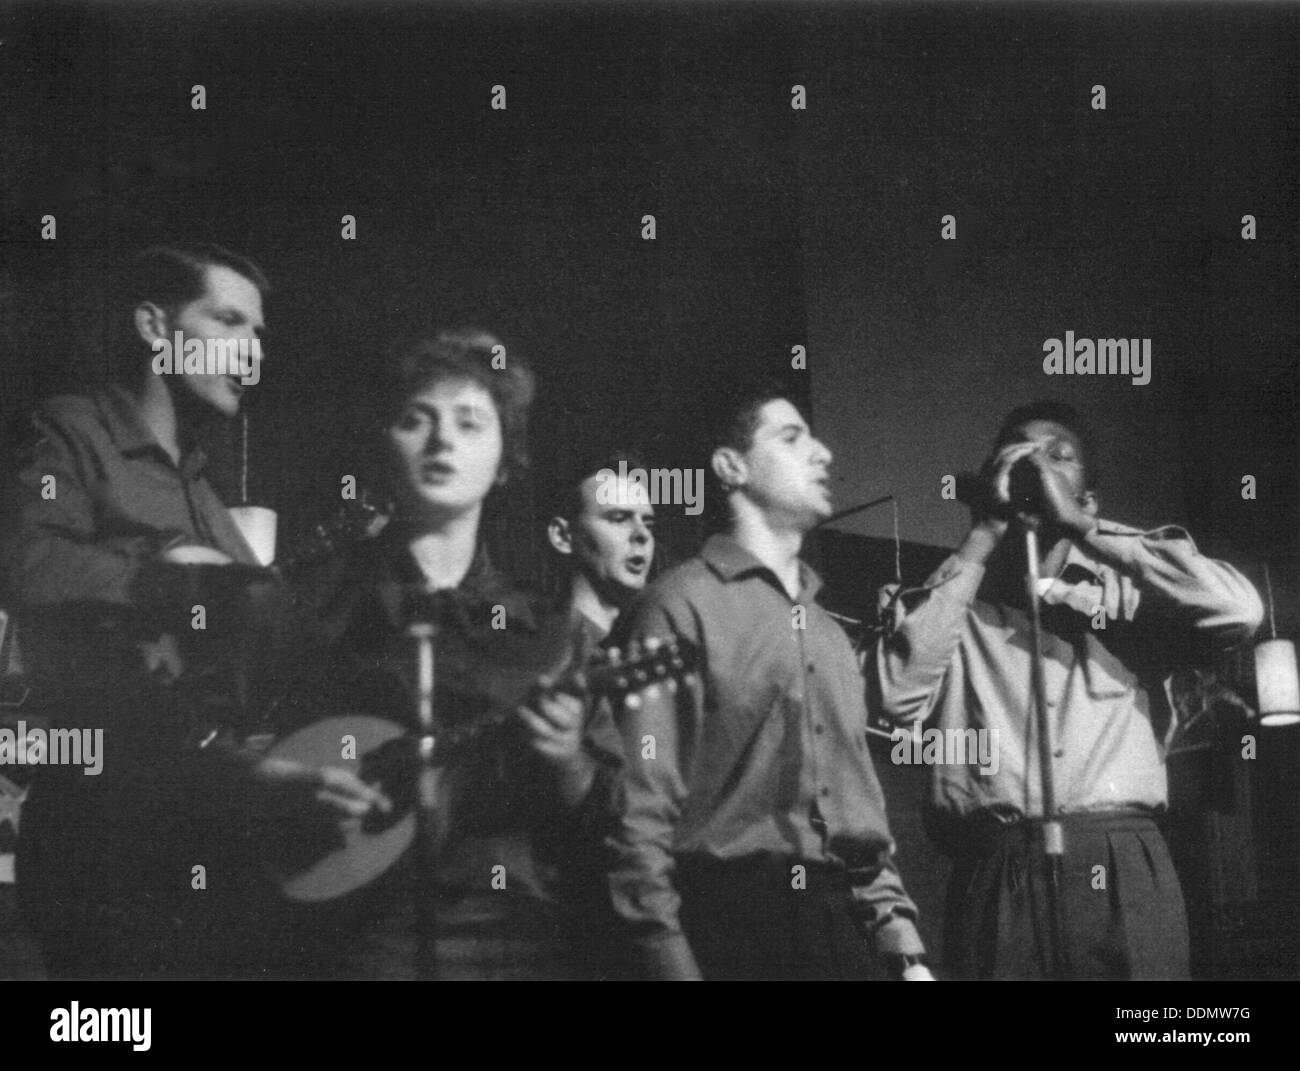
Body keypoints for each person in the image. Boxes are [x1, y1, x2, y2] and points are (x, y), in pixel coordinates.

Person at [0, 244, 383, 979]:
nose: (251, 353)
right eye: (230, 321)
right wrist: (166, 580)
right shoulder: (72, 431)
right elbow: (25, 562)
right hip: (103, 836)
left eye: (260, 336)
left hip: (210, 838)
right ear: (155, 326)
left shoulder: (205, 492)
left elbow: (267, 642)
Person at [871, 399, 1264, 980]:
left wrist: (1085, 532)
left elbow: (1238, 610)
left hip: (1123, 859)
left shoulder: (1126, 597)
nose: (1037, 467)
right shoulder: (943, 603)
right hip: (996, 866)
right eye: (1020, 454)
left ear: (1088, 495)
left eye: (1059, 456)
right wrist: (983, 534)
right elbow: (893, 699)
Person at [276, 329, 622, 980]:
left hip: (516, 943)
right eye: (416, 419)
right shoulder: (315, 607)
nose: (442, 441)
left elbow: (615, 820)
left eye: (470, 422)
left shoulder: (554, 637)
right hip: (352, 937)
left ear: (506, 458)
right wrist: (292, 785)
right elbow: (231, 749)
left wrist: (571, 760)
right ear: (385, 442)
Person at [607, 384, 932, 981]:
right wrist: (667, 963)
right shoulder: (676, 608)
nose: (824, 452)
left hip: (841, 930)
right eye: (792, 437)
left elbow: (858, 813)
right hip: (729, 928)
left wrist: (907, 957)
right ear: (731, 467)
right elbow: (636, 815)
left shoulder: (832, 637)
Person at [546, 448, 656, 649]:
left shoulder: (650, 636)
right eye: (619, 519)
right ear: (562, 536)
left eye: (648, 523)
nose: (643, 534)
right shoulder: (541, 648)